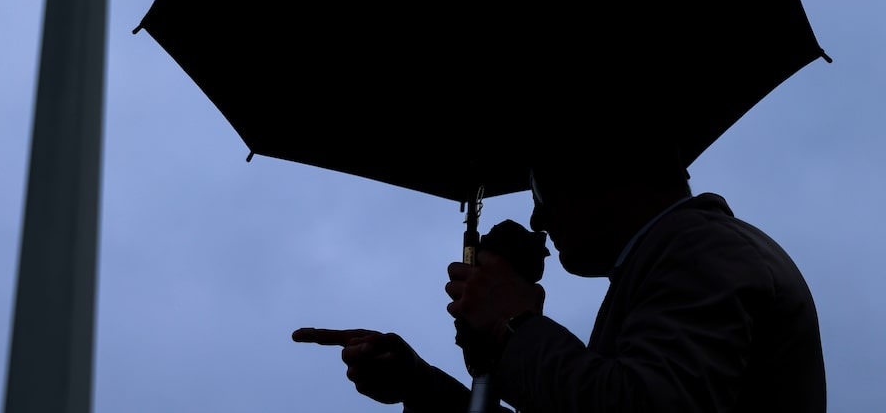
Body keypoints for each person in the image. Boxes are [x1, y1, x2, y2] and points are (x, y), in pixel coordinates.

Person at [293, 143, 827, 412]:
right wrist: (421, 387)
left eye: (541, 191)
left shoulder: (699, 250)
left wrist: (511, 325)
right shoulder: (676, 260)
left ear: (607, 175)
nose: (537, 220)